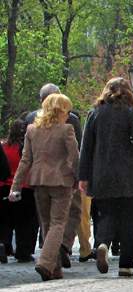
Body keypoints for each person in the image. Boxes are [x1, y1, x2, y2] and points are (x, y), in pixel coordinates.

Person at [78, 77, 133, 277]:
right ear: (127, 92)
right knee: (128, 219)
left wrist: (83, 176)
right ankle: (126, 266)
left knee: (105, 214)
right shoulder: (130, 113)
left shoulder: (94, 114)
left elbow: (86, 148)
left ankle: (102, 244)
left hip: (101, 174)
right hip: (129, 176)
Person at [10, 94, 78, 281]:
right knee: (58, 223)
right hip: (61, 181)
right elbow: (74, 157)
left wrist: (15, 186)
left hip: (39, 181)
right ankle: (45, 262)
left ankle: (54, 269)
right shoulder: (67, 130)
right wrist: (79, 178)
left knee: (46, 224)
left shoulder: (32, 129)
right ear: (62, 111)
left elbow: (25, 160)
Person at [26, 83, 83, 268]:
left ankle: (53, 263)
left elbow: (26, 155)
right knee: (69, 215)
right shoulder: (70, 121)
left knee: (46, 220)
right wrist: (79, 176)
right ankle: (61, 248)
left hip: (38, 178)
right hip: (64, 178)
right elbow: (77, 150)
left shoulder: (30, 119)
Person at [1, 119, 39, 263]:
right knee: (27, 223)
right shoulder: (27, 148)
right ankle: (24, 251)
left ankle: (4, 246)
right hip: (25, 188)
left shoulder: (4, 147)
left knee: (5, 221)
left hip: (5, 187)